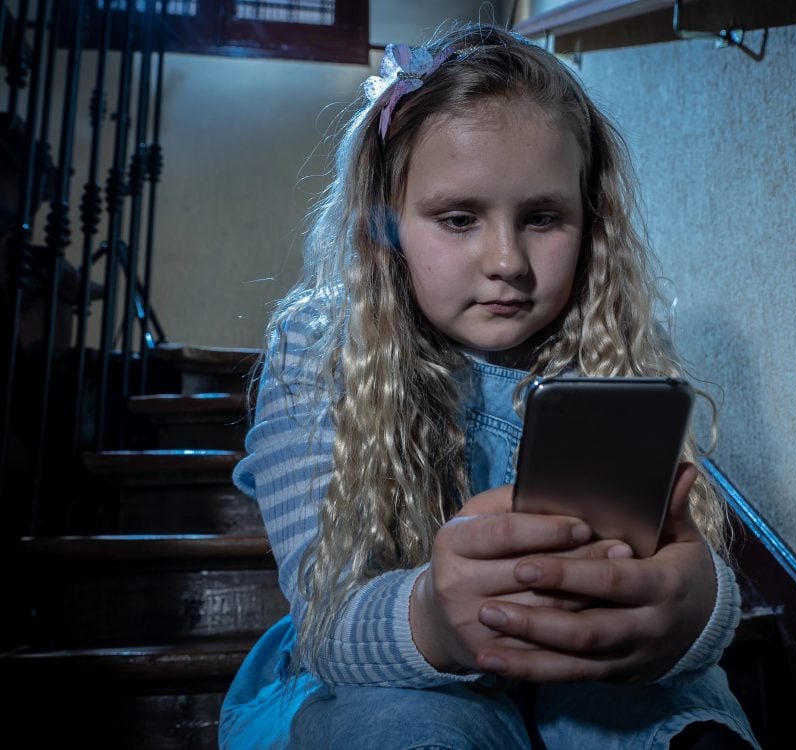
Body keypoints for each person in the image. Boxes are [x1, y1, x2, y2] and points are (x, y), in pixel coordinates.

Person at [219, 22, 759, 750]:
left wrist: (697, 606)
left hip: (584, 671)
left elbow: (673, 571)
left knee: (680, 727)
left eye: (542, 218)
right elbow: (330, 622)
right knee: (407, 728)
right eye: (459, 218)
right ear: (386, 224)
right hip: (399, 673)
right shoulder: (318, 356)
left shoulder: (607, 352)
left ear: (589, 223)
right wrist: (436, 619)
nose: (507, 260)